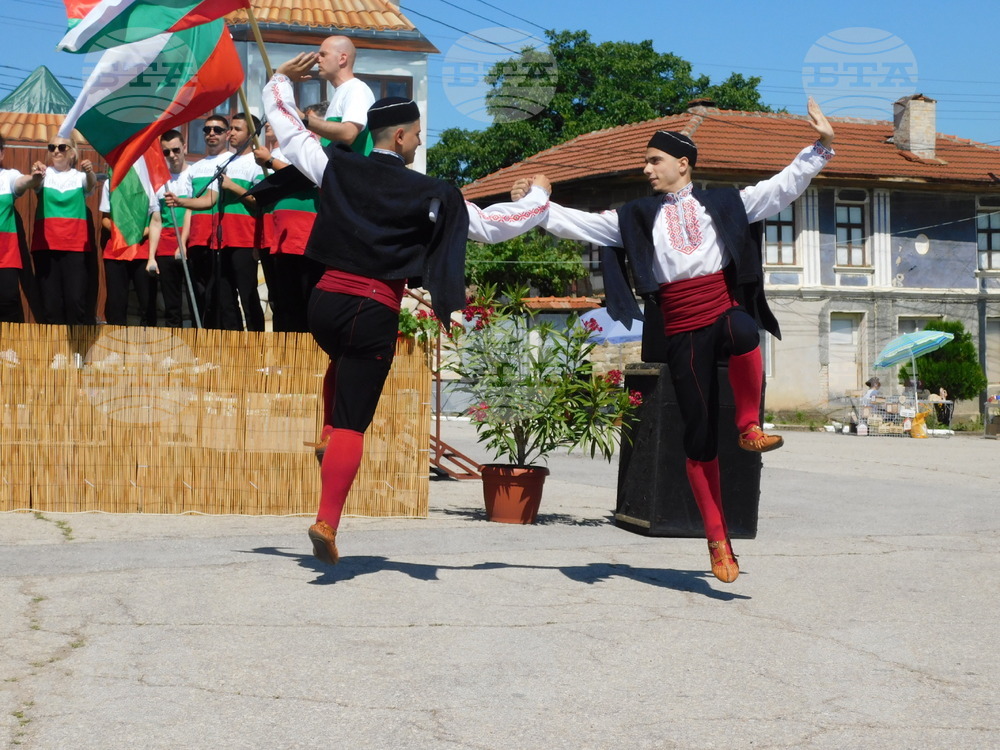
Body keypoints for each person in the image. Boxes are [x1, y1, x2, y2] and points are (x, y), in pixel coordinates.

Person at [512, 97, 835, 583]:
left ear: (683, 163)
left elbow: (782, 186)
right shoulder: (637, 215)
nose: (646, 169)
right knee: (698, 439)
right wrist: (534, 203)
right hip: (680, 329)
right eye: (646, 162)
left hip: (720, 308)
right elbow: (578, 223)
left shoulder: (724, 203)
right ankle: (718, 542)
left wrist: (821, 146)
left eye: (654, 160)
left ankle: (749, 425)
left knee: (745, 330)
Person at [263, 62, 553, 565]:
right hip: (371, 308)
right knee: (355, 419)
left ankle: (329, 435)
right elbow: (490, 227)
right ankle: (327, 519)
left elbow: (288, 129)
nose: (419, 142)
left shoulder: (335, 165)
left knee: (340, 361)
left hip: (323, 304)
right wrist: (540, 198)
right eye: (417, 134)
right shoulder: (430, 193)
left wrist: (279, 81)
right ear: (399, 137)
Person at [167, 114, 266, 330]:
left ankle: (257, 346)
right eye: (231, 128)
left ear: (251, 134)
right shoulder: (226, 163)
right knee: (225, 299)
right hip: (221, 240)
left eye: (237, 129)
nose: (231, 133)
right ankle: (231, 344)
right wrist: (181, 202)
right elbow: (210, 200)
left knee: (249, 297)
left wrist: (233, 187)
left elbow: (260, 201)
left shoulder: (257, 162)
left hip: (245, 238)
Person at [252, 105, 326, 332]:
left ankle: (307, 350)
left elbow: (306, 175)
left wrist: (270, 162)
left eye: (309, 122)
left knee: (306, 300)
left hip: (306, 236)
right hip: (279, 238)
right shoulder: (285, 151)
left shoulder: (319, 151)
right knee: (282, 302)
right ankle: (285, 350)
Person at [30, 134, 97, 324]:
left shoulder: (80, 177)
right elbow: (34, 183)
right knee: (51, 304)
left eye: (62, 147)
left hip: (75, 248)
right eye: (52, 147)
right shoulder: (44, 175)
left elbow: (91, 185)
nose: (56, 151)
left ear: (73, 153)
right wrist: (35, 172)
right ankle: (55, 344)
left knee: (75, 301)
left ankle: (76, 344)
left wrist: (90, 172)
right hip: (46, 247)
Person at [177, 114, 231, 328]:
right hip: (196, 240)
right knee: (197, 295)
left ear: (227, 134)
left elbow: (211, 200)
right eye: (207, 130)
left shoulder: (231, 161)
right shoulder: (195, 168)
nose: (211, 134)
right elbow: (189, 208)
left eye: (217, 130)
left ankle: (217, 340)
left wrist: (180, 201)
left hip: (220, 240)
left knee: (217, 297)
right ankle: (200, 339)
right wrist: (183, 241)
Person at [98, 174, 158, 325]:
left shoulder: (149, 182)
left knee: (147, 303)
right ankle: (116, 338)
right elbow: (105, 218)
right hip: (116, 252)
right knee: (116, 304)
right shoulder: (110, 182)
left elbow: (156, 220)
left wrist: (137, 233)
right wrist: (121, 232)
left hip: (142, 252)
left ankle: (148, 339)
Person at [147, 130, 193, 328]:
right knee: (171, 304)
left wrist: (183, 243)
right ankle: (174, 343)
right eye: (166, 152)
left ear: (184, 148)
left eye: (176, 150)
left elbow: (194, 209)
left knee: (196, 298)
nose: (172, 155)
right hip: (166, 246)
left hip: (191, 243)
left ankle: (198, 342)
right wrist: (151, 257)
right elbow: (156, 221)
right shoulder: (159, 181)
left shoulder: (194, 174)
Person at [302, 36, 375, 153]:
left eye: (323, 54)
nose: (318, 59)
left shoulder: (357, 89)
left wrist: (304, 119)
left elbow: (348, 134)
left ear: (342, 58)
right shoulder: (343, 91)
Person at [0, 132, 44, 322]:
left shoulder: (8, 176)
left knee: (8, 301)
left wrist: (35, 178)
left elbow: (23, 182)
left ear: (2, 153)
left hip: (5, 256)